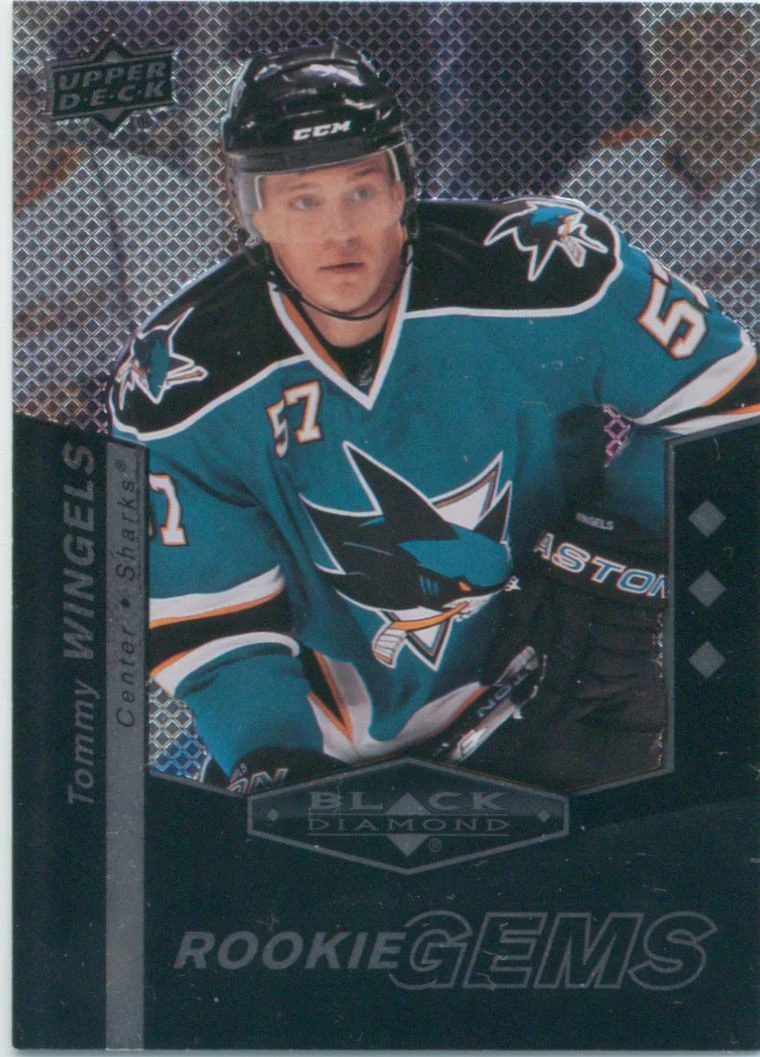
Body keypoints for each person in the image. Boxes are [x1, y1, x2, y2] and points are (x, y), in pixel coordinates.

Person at [109, 42, 759, 795]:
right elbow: (212, 620)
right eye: (302, 200)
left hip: (567, 685)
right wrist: (272, 755)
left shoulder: (544, 268)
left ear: (403, 183)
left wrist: (624, 543)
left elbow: (735, 402)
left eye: (360, 189)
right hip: (336, 745)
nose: (338, 231)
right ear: (249, 210)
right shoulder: (180, 381)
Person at [563, 8, 759, 335]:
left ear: (753, 64)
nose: (700, 69)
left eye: (721, 47)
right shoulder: (607, 180)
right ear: (655, 77)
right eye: (678, 53)